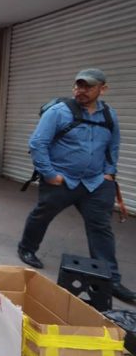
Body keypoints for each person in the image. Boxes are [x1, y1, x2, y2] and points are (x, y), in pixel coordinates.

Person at [17, 69, 134, 302]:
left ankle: (110, 279)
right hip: (63, 181)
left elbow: (114, 145)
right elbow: (38, 144)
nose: (81, 91)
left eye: (88, 87)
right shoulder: (59, 112)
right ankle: (27, 248)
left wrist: (109, 173)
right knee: (42, 215)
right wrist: (49, 174)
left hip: (95, 184)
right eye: (78, 86)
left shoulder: (109, 115)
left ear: (103, 88)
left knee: (101, 228)